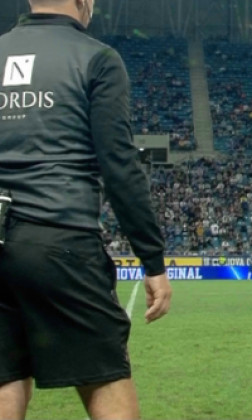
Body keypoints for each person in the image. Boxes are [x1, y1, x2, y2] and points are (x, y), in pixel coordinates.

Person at [0, 1, 172, 419]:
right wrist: (152, 260)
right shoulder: (96, 58)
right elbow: (119, 166)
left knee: (5, 378)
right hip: (60, 239)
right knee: (106, 376)